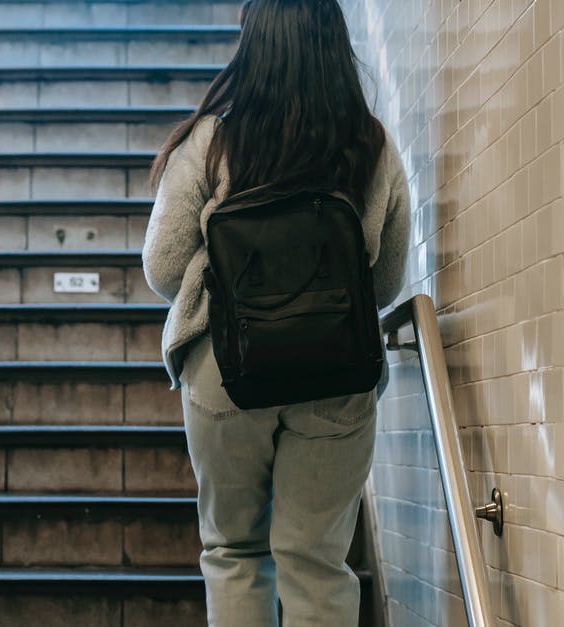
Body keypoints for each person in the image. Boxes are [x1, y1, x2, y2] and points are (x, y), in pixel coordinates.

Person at [141, 0, 410, 625]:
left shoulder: (211, 141)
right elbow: (388, 279)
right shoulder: (371, 145)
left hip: (225, 371)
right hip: (337, 376)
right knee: (316, 564)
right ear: (334, 45)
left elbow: (161, 266)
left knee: (235, 551)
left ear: (252, 45)